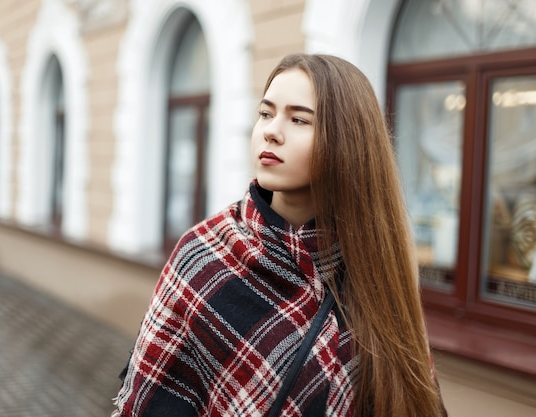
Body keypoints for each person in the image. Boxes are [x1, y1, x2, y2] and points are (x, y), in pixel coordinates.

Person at [112, 53, 447, 417]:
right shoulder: (205, 256)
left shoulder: (378, 271)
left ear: (348, 142)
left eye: (299, 119)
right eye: (266, 113)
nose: (271, 131)